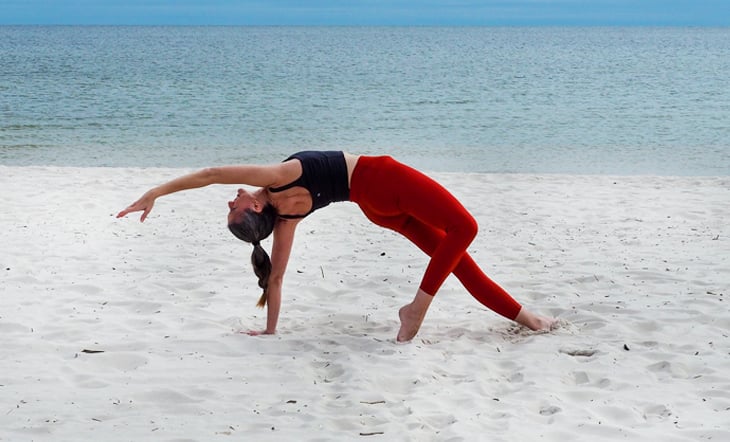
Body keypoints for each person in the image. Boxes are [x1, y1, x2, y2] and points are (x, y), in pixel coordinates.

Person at [117, 151, 556, 341]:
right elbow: (213, 173)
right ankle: (417, 308)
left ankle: (525, 317)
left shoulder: (287, 218)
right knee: (465, 229)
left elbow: (277, 275)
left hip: (373, 208)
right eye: (234, 206)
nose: (231, 198)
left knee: (456, 259)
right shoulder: (277, 177)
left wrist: (271, 330)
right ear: (253, 204)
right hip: (381, 181)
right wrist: (156, 191)